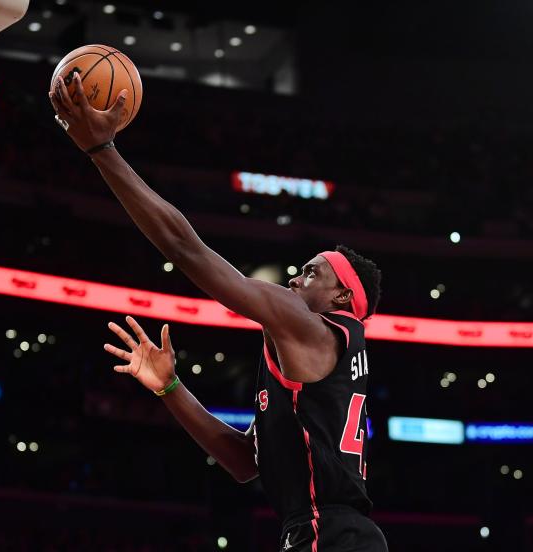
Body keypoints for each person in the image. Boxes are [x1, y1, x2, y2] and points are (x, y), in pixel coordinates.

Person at [49, 74, 389, 552]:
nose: (295, 280)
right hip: (327, 532)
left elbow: (185, 249)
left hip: (328, 535)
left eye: (312, 274)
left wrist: (102, 150)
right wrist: (170, 387)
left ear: (340, 299)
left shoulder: (312, 327)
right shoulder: (316, 360)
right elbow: (246, 461)